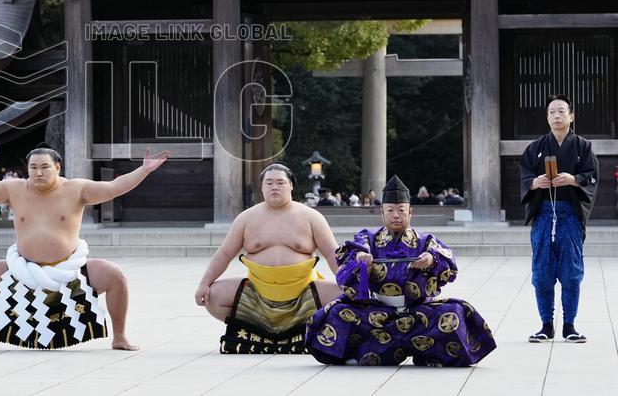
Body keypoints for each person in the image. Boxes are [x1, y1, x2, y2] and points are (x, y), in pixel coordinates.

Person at [0, 145, 169, 351]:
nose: (38, 173)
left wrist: (143, 170)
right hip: (23, 269)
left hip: (72, 269)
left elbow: (115, 187)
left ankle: (120, 336)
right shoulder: (14, 189)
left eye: (44, 167)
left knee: (115, 276)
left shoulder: (76, 189)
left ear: (57, 167)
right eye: (33, 168)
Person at [305, 175, 496, 367]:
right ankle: (365, 350)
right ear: (382, 212)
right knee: (337, 312)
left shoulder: (425, 241)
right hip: (378, 314)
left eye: (401, 210)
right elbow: (352, 251)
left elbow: (446, 258)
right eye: (390, 210)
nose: (396, 215)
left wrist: (432, 259)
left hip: (418, 313)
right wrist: (361, 260)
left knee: (456, 312)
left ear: (410, 212)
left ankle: (418, 351)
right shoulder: (368, 238)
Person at [195, 163, 342, 354]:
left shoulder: (311, 217)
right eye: (269, 182)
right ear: (262, 187)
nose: (275, 186)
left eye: (280, 182)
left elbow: (332, 253)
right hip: (257, 293)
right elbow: (225, 253)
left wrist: (347, 281)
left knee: (345, 296)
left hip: (303, 292)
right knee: (213, 296)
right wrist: (204, 283)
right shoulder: (246, 218)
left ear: (291, 186)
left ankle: (308, 328)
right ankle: (258, 330)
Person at [520, 94, 598, 344]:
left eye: (562, 111)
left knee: (571, 272)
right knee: (542, 272)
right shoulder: (535, 148)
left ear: (571, 116)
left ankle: (569, 325)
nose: (557, 116)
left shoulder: (583, 147)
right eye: (552, 112)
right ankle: (545, 325)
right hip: (543, 214)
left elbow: (592, 175)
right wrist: (535, 183)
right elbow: (524, 177)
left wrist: (573, 179)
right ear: (547, 117)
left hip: (570, 215)